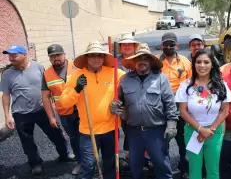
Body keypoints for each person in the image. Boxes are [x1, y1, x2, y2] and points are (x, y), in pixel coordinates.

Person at [0, 44, 73, 175]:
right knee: (27, 141)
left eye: (14, 54)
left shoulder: (38, 67)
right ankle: (35, 163)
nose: (10, 57)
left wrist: (52, 105)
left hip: (41, 109)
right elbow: (5, 95)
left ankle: (64, 154)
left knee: (56, 133)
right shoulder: (7, 74)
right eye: (9, 55)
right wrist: (7, 115)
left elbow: (47, 88)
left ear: (24, 55)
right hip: (20, 113)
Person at [111, 43, 178, 179]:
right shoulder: (125, 80)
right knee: (135, 165)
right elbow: (119, 101)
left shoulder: (161, 79)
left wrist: (172, 125)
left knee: (161, 164)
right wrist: (115, 106)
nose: (142, 61)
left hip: (156, 130)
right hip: (133, 131)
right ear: (134, 61)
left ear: (151, 61)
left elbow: (170, 104)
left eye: (145, 58)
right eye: (139, 59)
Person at [59, 41, 125, 179]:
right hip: (88, 130)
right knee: (88, 164)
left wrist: (119, 102)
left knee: (110, 162)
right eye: (92, 55)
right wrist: (77, 89)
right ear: (86, 58)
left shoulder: (115, 73)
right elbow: (64, 103)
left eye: (100, 56)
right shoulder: (76, 77)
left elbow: (129, 88)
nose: (97, 59)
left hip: (111, 128)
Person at [175, 48, 231, 179]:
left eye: (206, 62)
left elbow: (225, 111)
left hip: (214, 133)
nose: (202, 65)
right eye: (198, 62)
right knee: (194, 171)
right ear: (193, 64)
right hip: (192, 132)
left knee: (213, 171)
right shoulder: (185, 86)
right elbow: (183, 111)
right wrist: (200, 129)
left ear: (212, 64)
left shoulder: (221, 85)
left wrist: (209, 130)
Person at [156, 32, 192, 178]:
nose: (169, 47)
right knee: (161, 144)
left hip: (181, 109)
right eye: (166, 44)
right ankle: (164, 172)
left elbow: (191, 86)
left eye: (172, 44)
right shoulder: (156, 62)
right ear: (161, 45)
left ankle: (185, 168)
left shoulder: (185, 63)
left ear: (177, 45)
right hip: (160, 109)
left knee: (183, 143)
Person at [41, 44, 81, 175]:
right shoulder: (46, 74)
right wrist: (51, 117)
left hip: (83, 110)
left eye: (58, 55)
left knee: (88, 137)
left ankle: (92, 161)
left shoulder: (77, 66)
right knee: (74, 138)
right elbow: (46, 97)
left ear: (64, 54)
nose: (55, 58)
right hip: (65, 113)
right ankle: (80, 162)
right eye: (52, 56)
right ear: (49, 58)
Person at [116, 33, 140, 166]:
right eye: (124, 44)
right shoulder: (114, 63)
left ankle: (144, 156)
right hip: (123, 103)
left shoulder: (141, 59)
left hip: (141, 101)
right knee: (128, 130)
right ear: (120, 47)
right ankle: (131, 156)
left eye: (129, 44)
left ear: (134, 46)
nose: (127, 46)